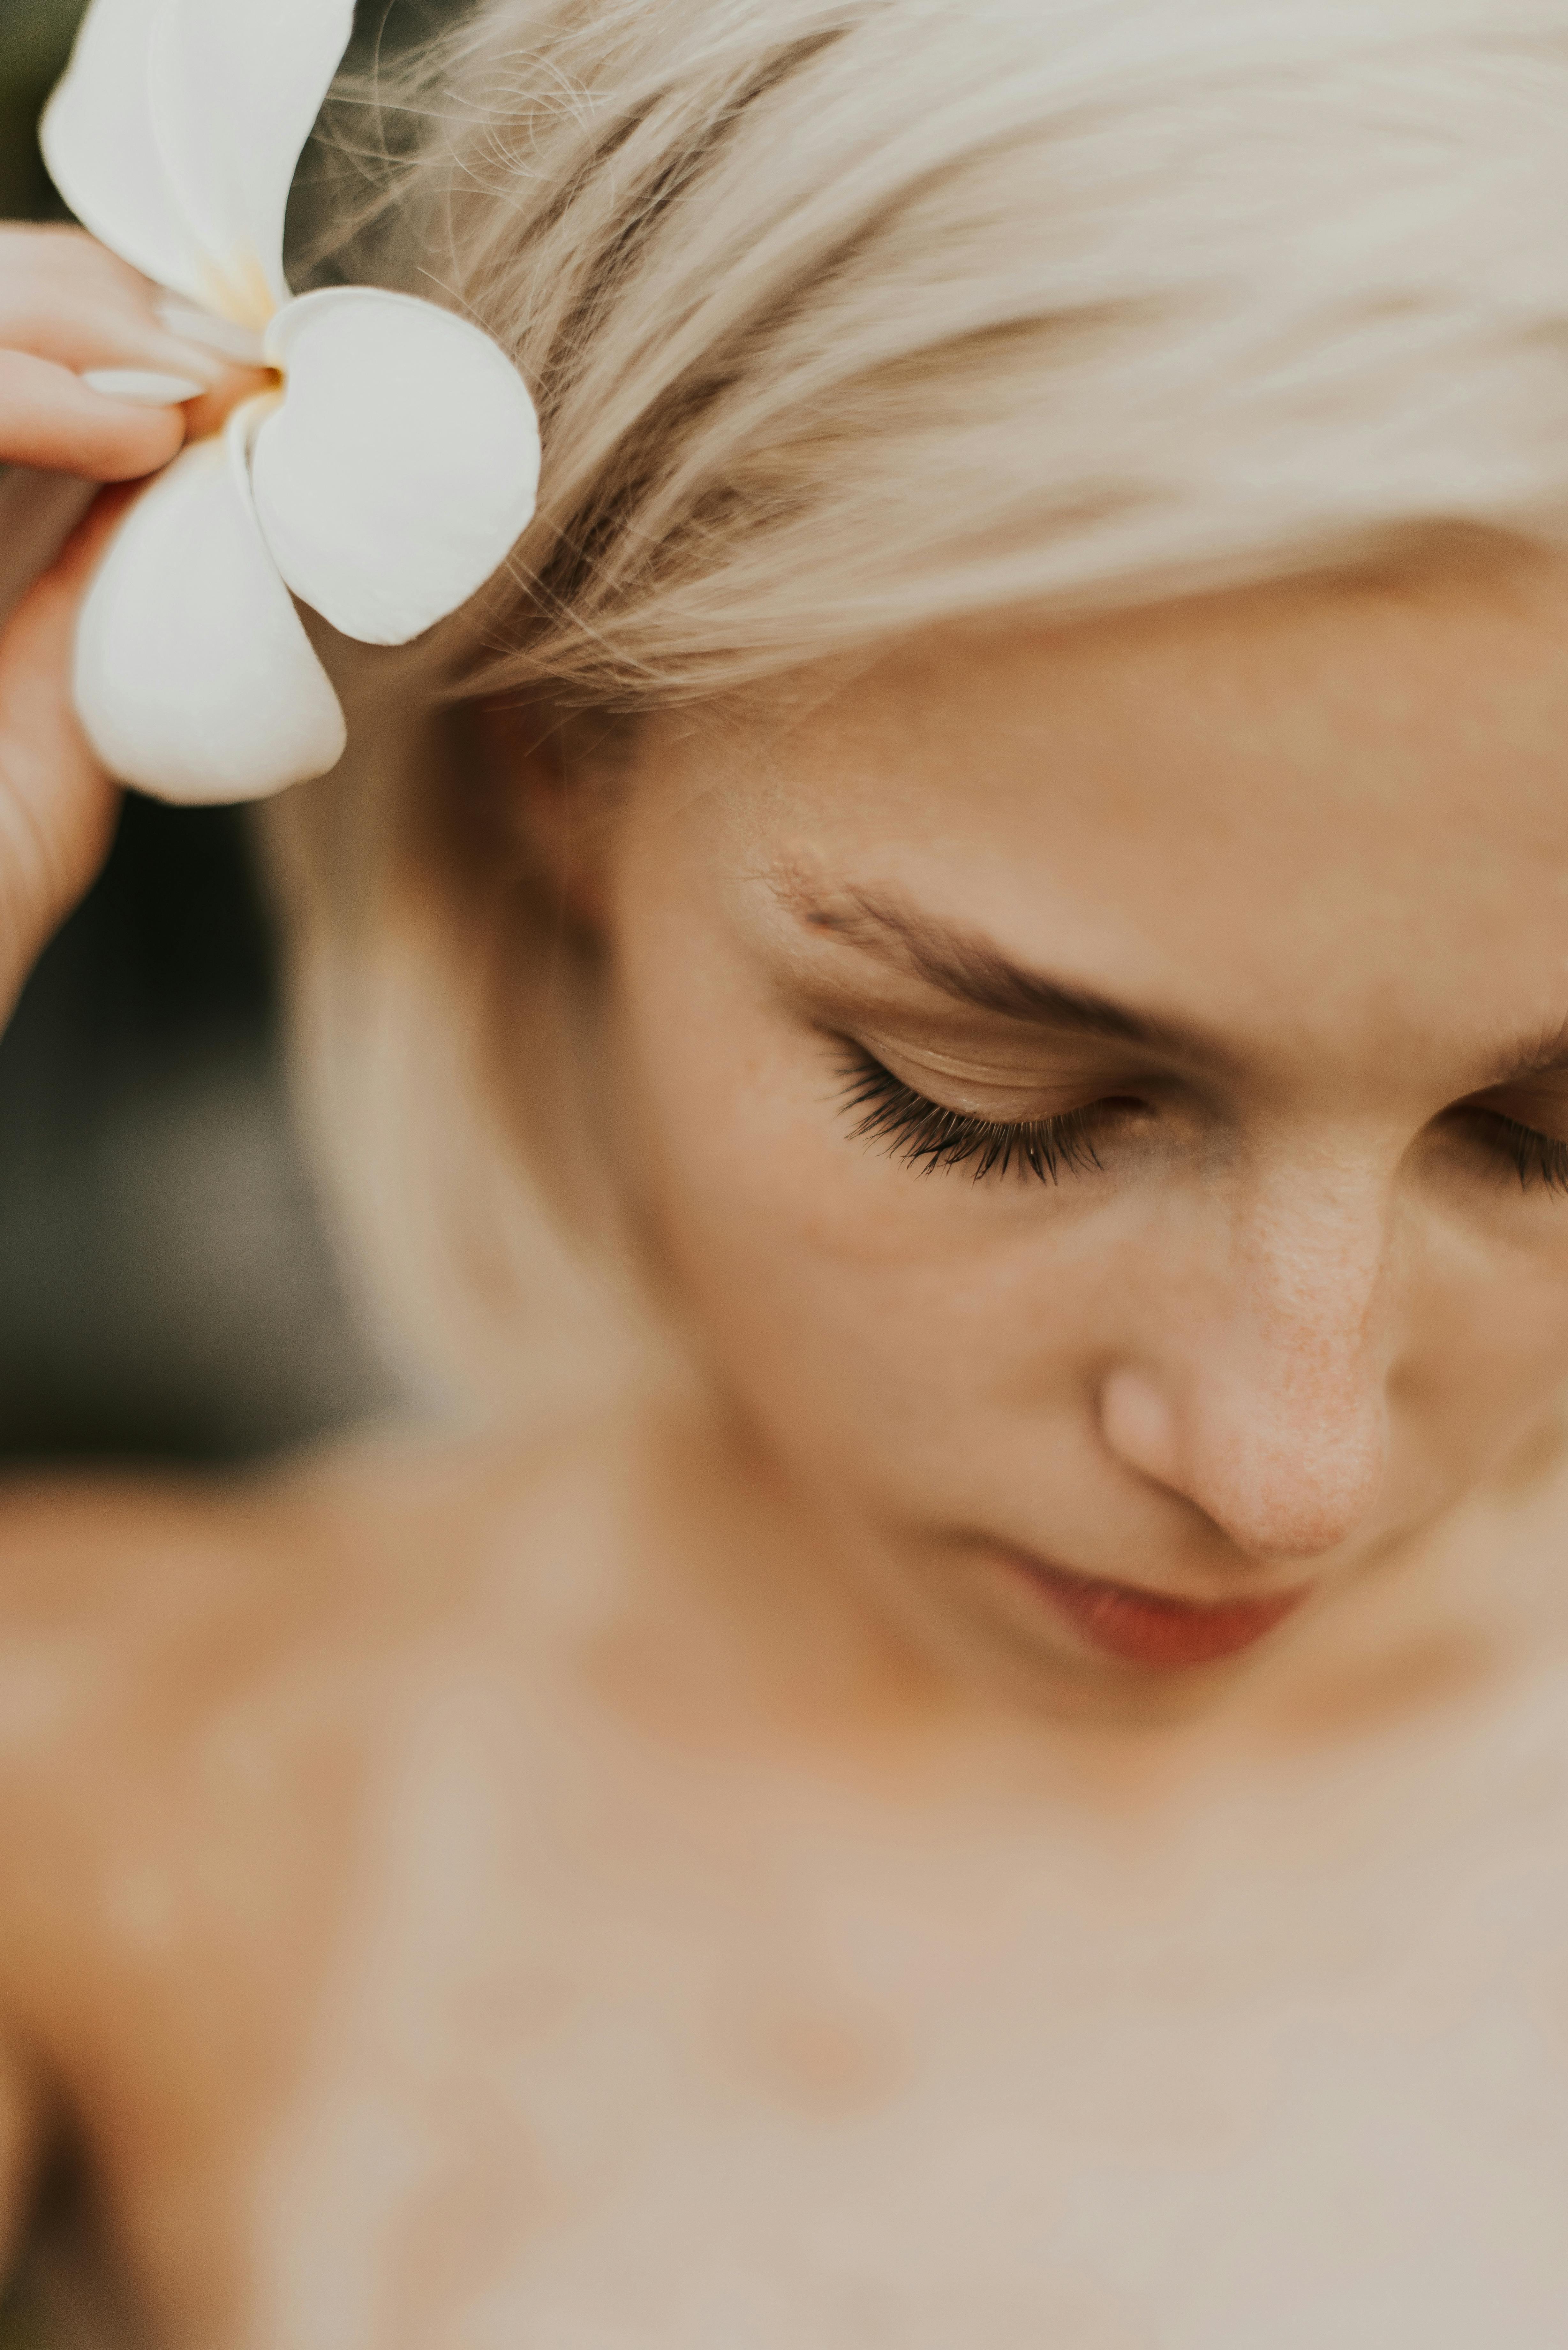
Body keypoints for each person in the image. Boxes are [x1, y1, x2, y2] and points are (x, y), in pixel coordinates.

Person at [4, 0, 1568, 2341]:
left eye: (1552, 1143)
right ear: (557, 776)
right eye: (989, 1096)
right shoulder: (105, 1783)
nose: (1285, 1471)